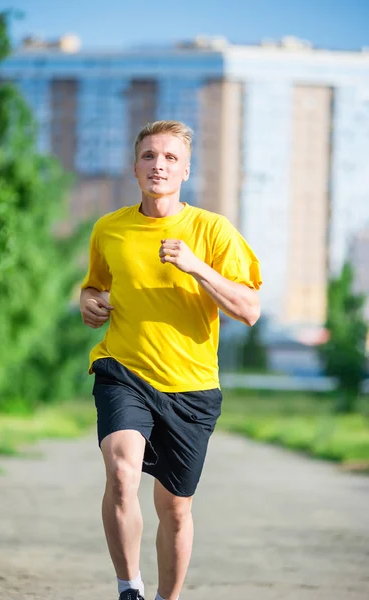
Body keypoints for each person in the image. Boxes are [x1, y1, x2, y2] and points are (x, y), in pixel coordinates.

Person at [80, 120, 262, 600]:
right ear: (135, 166)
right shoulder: (110, 228)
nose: (158, 165)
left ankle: (167, 597)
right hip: (124, 370)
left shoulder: (212, 229)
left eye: (170, 158)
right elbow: (96, 287)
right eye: (149, 156)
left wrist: (197, 267)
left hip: (191, 386)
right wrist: (89, 301)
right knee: (121, 474)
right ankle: (129, 588)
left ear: (186, 170)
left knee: (175, 507)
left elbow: (249, 310)